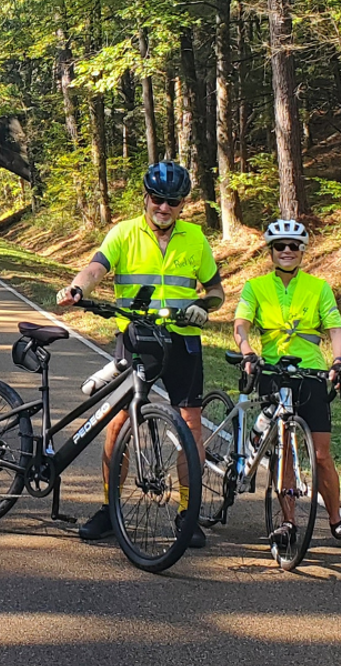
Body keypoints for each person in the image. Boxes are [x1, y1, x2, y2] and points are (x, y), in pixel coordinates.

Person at [56, 160, 225, 546]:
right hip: (136, 339)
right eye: (157, 199)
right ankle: (108, 507)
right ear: (145, 198)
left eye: (174, 202)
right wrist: (77, 289)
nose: (164, 208)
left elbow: (217, 290)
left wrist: (206, 305)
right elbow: (96, 268)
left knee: (190, 427)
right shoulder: (124, 233)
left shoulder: (195, 238)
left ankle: (188, 511)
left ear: (183, 205)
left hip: (181, 341)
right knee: (117, 423)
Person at [232, 218, 341, 554]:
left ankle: (336, 521)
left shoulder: (319, 287)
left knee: (321, 455)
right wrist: (247, 351)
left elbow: (335, 328)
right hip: (274, 373)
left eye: (294, 246)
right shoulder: (255, 287)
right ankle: (288, 522)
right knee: (286, 454)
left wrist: (338, 361)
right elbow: (241, 324)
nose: (287, 251)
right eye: (280, 246)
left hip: (311, 375)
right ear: (271, 251)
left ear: (302, 250)